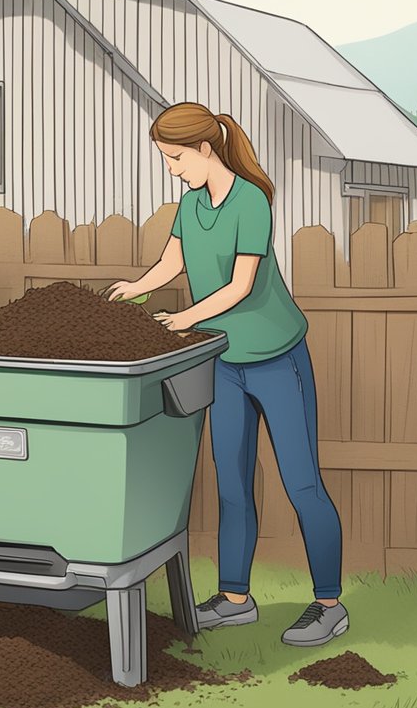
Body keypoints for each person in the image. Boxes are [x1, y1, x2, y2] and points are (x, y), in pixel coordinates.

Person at [106, 102, 347, 647]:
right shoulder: (190, 205)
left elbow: (241, 285)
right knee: (232, 483)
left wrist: (183, 319)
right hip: (226, 362)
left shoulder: (251, 201)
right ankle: (235, 598)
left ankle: (329, 603)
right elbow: (173, 263)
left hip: (277, 358)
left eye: (175, 157)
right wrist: (136, 288)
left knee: (301, 481)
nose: (171, 168)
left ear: (205, 149)